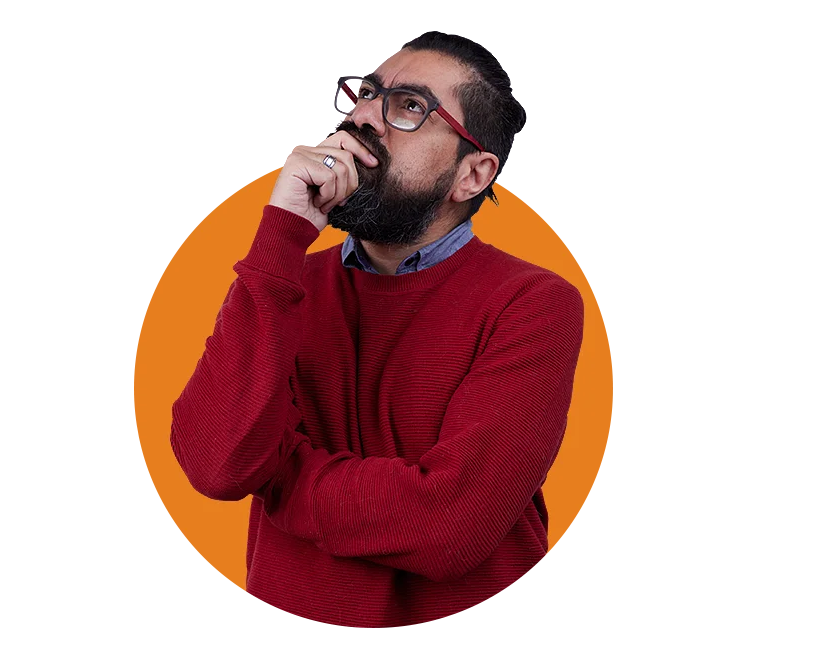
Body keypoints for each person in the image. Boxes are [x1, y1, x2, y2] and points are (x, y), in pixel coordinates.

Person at [170, 31, 585, 630]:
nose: (363, 117)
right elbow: (217, 465)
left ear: (472, 175)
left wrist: (276, 476)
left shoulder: (533, 302)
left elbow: (449, 527)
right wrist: (284, 230)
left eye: (410, 106)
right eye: (366, 94)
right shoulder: (281, 281)